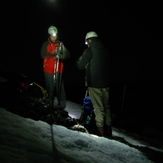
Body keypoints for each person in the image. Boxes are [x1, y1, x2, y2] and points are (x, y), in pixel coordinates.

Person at [76, 31, 112, 137]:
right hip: (105, 83)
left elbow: (81, 65)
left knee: (98, 108)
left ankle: (101, 131)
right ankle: (108, 130)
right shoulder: (105, 50)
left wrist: (78, 61)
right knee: (106, 107)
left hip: (94, 83)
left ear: (90, 40)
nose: (87, 44)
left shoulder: (89, 50)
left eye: (87, 42)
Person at [40, 25, 70, 110]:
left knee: (60, 88)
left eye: (55, 35)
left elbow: (67, 55)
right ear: (49, 35)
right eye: (52, 35)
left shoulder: (60, 44)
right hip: (48, 70)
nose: (54, 37)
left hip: (59, 70)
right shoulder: (45, 44)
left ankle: (62, 106)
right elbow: (42, 54)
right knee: (50, 88)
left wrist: (62, 52)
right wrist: (52, 53)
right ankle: (50, 104)